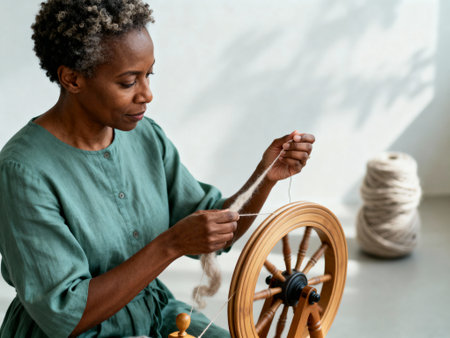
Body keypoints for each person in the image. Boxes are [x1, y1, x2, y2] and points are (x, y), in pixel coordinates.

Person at [0, 0, 315, 337]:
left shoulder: (146, 137)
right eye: (128, 82)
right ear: (72, 79)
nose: (147, 94)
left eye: (148, 75)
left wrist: (264, 178)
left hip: (153, 314)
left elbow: (212, 233)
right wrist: (171, 244)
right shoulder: (23, 171)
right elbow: (66, 315)